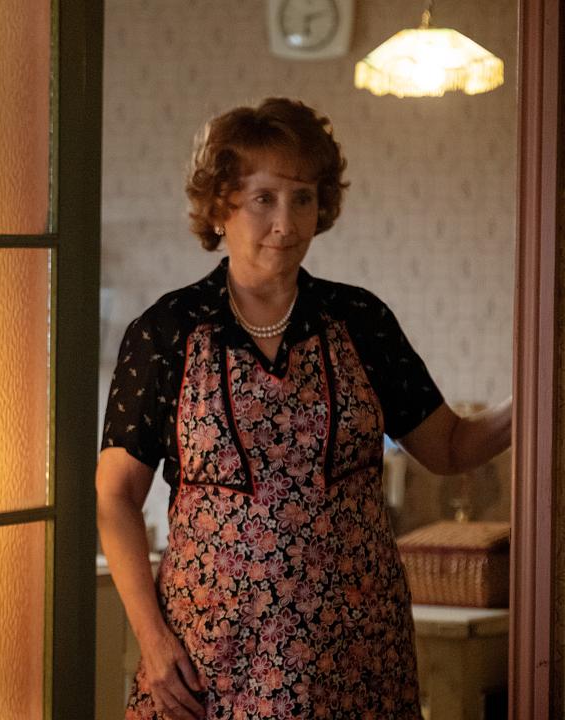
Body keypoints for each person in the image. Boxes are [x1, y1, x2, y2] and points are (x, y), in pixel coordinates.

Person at [95, 97, 511, 720]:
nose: (285, 222)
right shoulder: (168, 330)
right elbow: (115, 497)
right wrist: (153, 641)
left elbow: (449, 447)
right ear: (221, 205)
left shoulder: (361, 320)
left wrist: (537, 396)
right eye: (263, 198)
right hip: (212, 656)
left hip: (357, 652)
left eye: (303, 198)